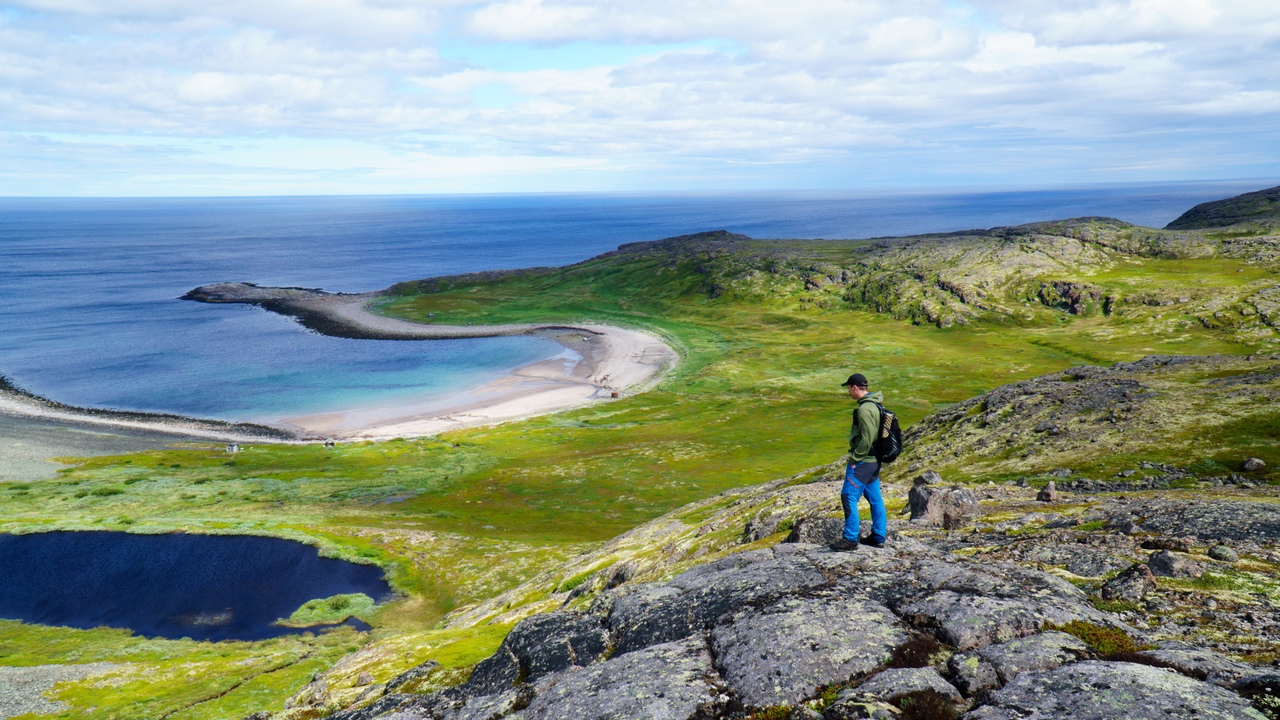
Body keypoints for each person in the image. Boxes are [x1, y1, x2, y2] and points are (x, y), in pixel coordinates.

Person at [830, 373, 888, 551]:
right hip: (874, 461)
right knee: (875, 498)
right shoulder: (876, 404)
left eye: (849, 388)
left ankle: (850, 538)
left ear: (855, 387)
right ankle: (878, 536)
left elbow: (867, 438)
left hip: (864, 461)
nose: (849, 392)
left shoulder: (864, 409)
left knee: (848, 497)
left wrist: (855, 459)